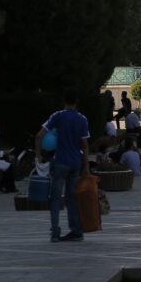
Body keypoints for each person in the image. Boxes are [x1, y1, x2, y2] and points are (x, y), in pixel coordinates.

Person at [36, 89, 90, 243]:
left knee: (55, 198)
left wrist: (38, 154)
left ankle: (55, 232)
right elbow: (84, 145)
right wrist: (86, 167)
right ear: (77, 101)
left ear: (64, 101)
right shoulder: (82, 119)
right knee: (71, 198)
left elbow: (40, 135)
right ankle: (76, 231)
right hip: (75, 163)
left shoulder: (57, 116)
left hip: (60, 161)